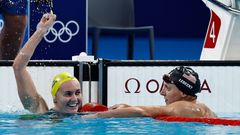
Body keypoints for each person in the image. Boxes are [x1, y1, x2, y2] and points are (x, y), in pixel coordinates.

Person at [13, 13, 83, 114]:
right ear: (55, 98)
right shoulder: (41, 112)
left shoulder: (85, 115)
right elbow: (18, 67)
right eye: (68, 94)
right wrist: (41, 31)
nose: (74, 99)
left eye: (78, 92)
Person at [82, 66, 217, 119]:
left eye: (167, 88)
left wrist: (97, 116)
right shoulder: (202, 108)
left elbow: (142, 112)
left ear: (183, 92)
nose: (162, 92)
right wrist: (127, 107)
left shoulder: (183, 106)